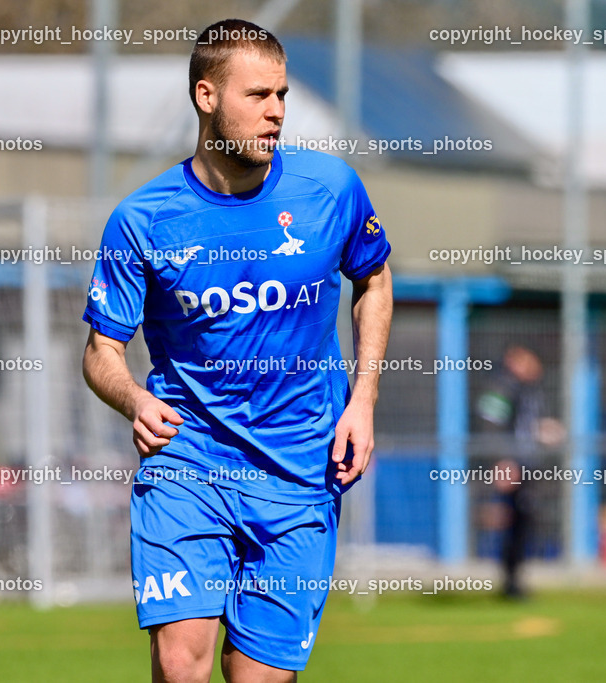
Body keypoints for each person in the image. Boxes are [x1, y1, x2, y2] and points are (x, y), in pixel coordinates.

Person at [81, 18, 392, 682]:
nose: (276, 111)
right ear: (206, 97)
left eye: (281, 95)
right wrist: (134, 397)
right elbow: (101, 350)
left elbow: (374, 276)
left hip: (301, 470)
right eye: (257, 95)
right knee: (180, 659)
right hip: (188, 465)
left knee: (256, 675)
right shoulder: (144, 220)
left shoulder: (330, 190)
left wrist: (362, 400)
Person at [476, 344, 564, 598]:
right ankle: (510, 582)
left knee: (525, 522)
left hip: (528, 467)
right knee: (508, 522)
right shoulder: (500, 387)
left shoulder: (530, 391)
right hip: (510, 467)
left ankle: (515, 580)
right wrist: (501, 461)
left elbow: (527, 426)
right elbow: (490, 427)